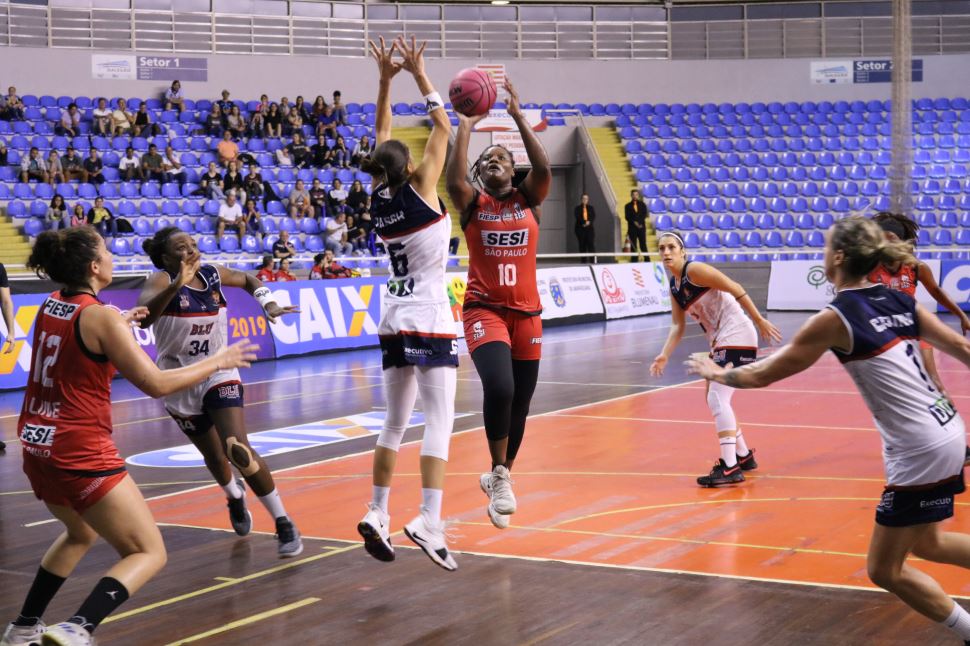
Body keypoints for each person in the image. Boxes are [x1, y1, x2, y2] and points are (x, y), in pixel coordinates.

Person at [685, 215, 970, 646]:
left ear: (838, 257)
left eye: (824, 246)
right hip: (949, 429)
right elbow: (964, 348)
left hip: (919, 447)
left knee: (884, 569)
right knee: (928, 543)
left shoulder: (835, 318)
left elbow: (762, 375)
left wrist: (717, 372)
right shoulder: (900, 300)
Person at [0, 227, 256, 646]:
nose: (112, 255)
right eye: (105, 250)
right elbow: (156, 383)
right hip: (80, 449)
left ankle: (24, 626)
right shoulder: (100, 317)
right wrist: (219, 361)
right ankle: (78, 627)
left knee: (81, 533)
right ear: (94, 267)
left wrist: (121, 321)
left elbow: (85, 330)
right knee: (148, 551)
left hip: (36, 445)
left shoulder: (52, 304)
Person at [355, 36, 459, 571]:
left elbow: (382, 134)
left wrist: (383, 81)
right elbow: (446, 127)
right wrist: (420, 75)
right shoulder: (421, 189)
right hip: (428, 313)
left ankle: (377, 510)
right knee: (440, 419)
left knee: (394, 422)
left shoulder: (378, 195)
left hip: (392, 316)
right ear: (412, 165)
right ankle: (427, 519)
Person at [137, 228, 303, 558]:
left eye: (193, 245)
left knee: (236, 448)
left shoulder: (212, 274)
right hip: (179, 378)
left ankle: (283, 522)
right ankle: (234, 496)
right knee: (214, 456)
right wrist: (176, 284)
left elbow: (247, 278)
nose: (191, 251)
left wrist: (268, 303)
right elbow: (144, 320)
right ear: (168, 258)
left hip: (220, 370)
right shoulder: (159, 281)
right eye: (181, 248)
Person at [447, 77, 551, 531]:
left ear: (513, 170)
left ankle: (498, 477)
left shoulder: (531, 199)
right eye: (487, 160)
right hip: (484, 309)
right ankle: (502, 474)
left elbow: (544, 170)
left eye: (501, 158)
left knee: (522, 405)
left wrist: (516, 117)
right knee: (502, 388)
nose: (493, 162)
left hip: (527, 312)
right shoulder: (474, 203)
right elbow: (454, 177)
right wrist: (466, 126)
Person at [650, 231, 781, 486]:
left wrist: (759, 319)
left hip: (737, 333)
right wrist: (664, 354)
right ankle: (742, 456)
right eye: (662, 248)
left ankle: (730, 467)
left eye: (671, 247)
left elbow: (736, 288)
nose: (666, 252)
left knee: (717, 398)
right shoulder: (675, 287)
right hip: (721, 339)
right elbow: (677, 326)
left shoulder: (695, 270)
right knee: (715, 399)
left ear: (682, 251)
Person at [868, 212, 970, 400]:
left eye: (891, 238)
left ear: (902, 242)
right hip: (883, 330)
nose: (886, 243)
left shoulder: (916, 267)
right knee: (896, 387)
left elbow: (937, 292)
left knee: (934, 382)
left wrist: (961, 316)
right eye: (881, 239)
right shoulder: (869, 268)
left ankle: (945, 414)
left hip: (913, 326)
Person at [624, 189, 648, 262]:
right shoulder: (627, 206)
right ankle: (634, 260)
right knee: (633, 245)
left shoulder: (642, 204)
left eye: (636, 195)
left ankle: (647, 259)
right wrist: (634, 222)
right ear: (631, 195)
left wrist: (639, 223)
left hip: (641, 228)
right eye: (633, 194)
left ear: (638, 195)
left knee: (643, 244)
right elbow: (627, 217)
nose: (635, 196)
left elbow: (644, 214)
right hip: (632, 229)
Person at [573, 194, 596, 264]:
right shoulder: (577, 208)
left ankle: (592, 261)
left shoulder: (591, 208)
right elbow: (578, 217)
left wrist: (589, 222)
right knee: (582, 245)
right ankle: (583, 261)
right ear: (581, 199)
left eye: (586, 199)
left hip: (589, 229)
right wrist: (584, 222)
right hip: (580, 229)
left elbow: (593, 216)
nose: (585, 200)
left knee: (590, 244)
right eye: (583, 198)